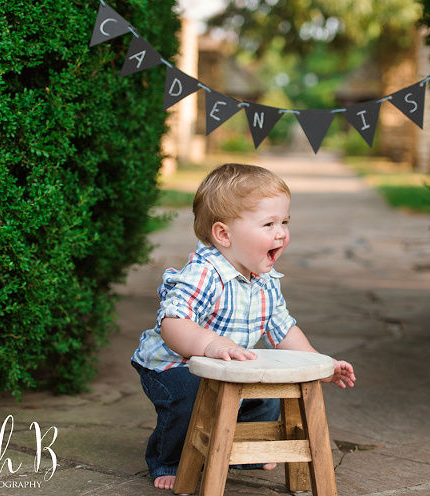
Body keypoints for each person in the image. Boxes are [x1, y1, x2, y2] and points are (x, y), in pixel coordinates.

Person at [131, 163, 356, 490]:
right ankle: (169, 459)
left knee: (265, 395)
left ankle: (243, 451)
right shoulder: (204, 273)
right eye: (269, 224)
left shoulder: (266, 279)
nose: (281, 233)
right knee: (190, 398)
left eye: (284, 222)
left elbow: (283, 330)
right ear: (224, 234)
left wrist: (319, 363)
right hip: (173, 365)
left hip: (228, 366)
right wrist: (211, 344)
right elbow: (173, 324)